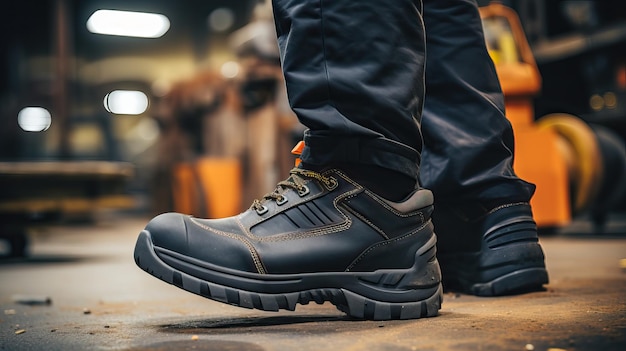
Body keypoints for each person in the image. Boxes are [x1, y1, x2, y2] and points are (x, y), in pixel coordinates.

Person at [133, 0, 548, 320]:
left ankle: (354, 179)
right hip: (468, 186)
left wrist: (357, 154)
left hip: (362, 190)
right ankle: (476, 206)